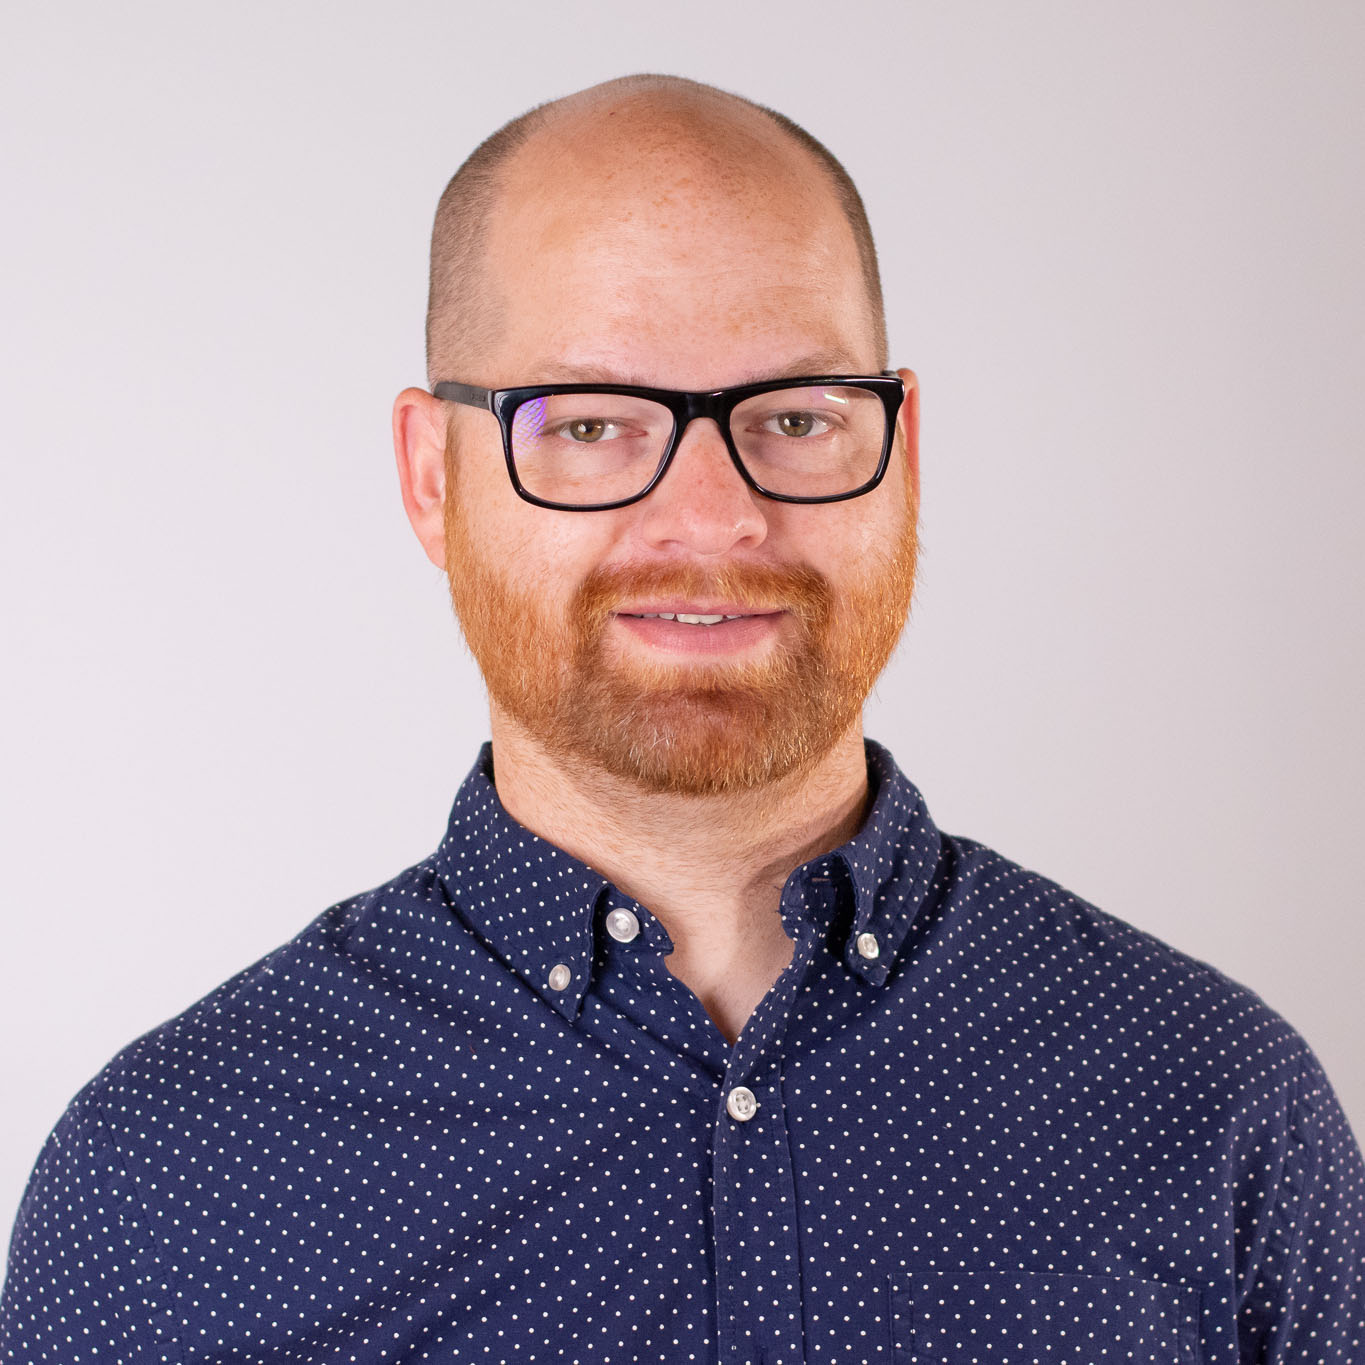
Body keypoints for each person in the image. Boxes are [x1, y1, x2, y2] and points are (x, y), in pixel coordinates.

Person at [2, 73, 1362, 1364]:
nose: (713, 519)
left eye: (796, 418)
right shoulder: (159, 1189)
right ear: (432, 477)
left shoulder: (1217, 1106)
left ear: (902, 453)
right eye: (591, 425)